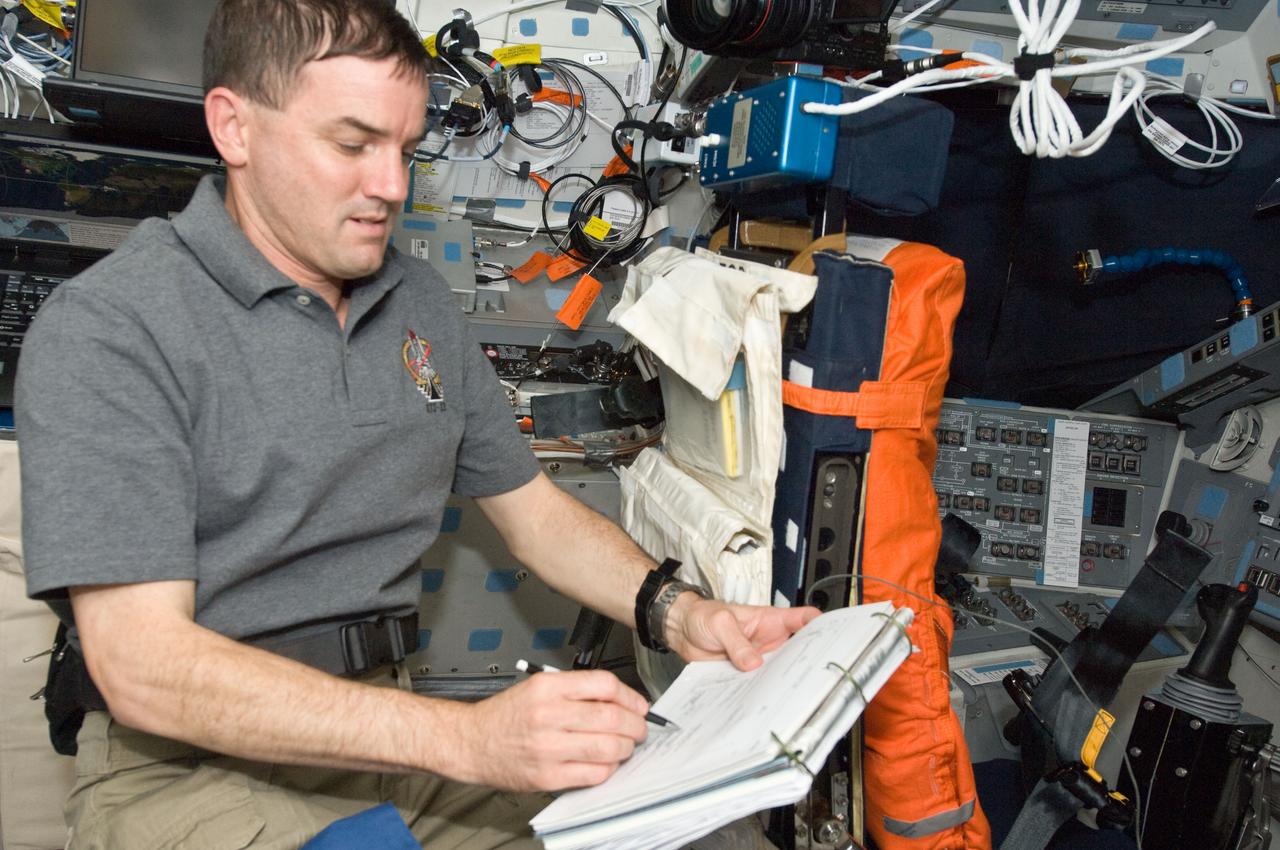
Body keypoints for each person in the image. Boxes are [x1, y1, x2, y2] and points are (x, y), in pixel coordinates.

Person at [16, 1, 819, 847]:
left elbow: (536, 517)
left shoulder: (416, 304)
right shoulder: (113, 327)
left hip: (392, 734)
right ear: (234, 128)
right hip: (189, 770)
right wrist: (469, 739)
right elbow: (144, 670)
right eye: (353, 144)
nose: (392, 186)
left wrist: (681, 612)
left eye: (403, 148)